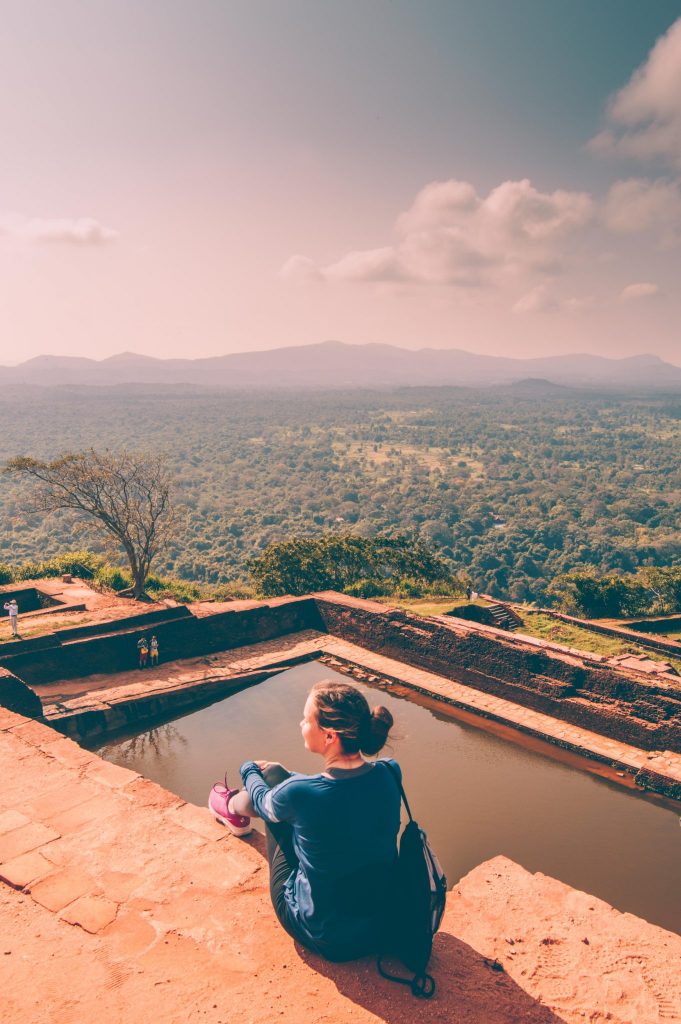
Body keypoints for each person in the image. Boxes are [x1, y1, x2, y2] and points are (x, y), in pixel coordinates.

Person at [208, 679, 401, 962]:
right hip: (378, 926)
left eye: (306, 719)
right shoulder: (389, 772)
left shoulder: (301, 793)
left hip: (325, 935)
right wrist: (288, 777)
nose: (301, 725)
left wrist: (248, 769)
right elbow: (340, 796)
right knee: (284, 786)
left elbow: (264, 803)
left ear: (330, 736)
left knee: (273, 796)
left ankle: (229, 806)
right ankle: (235, 803)